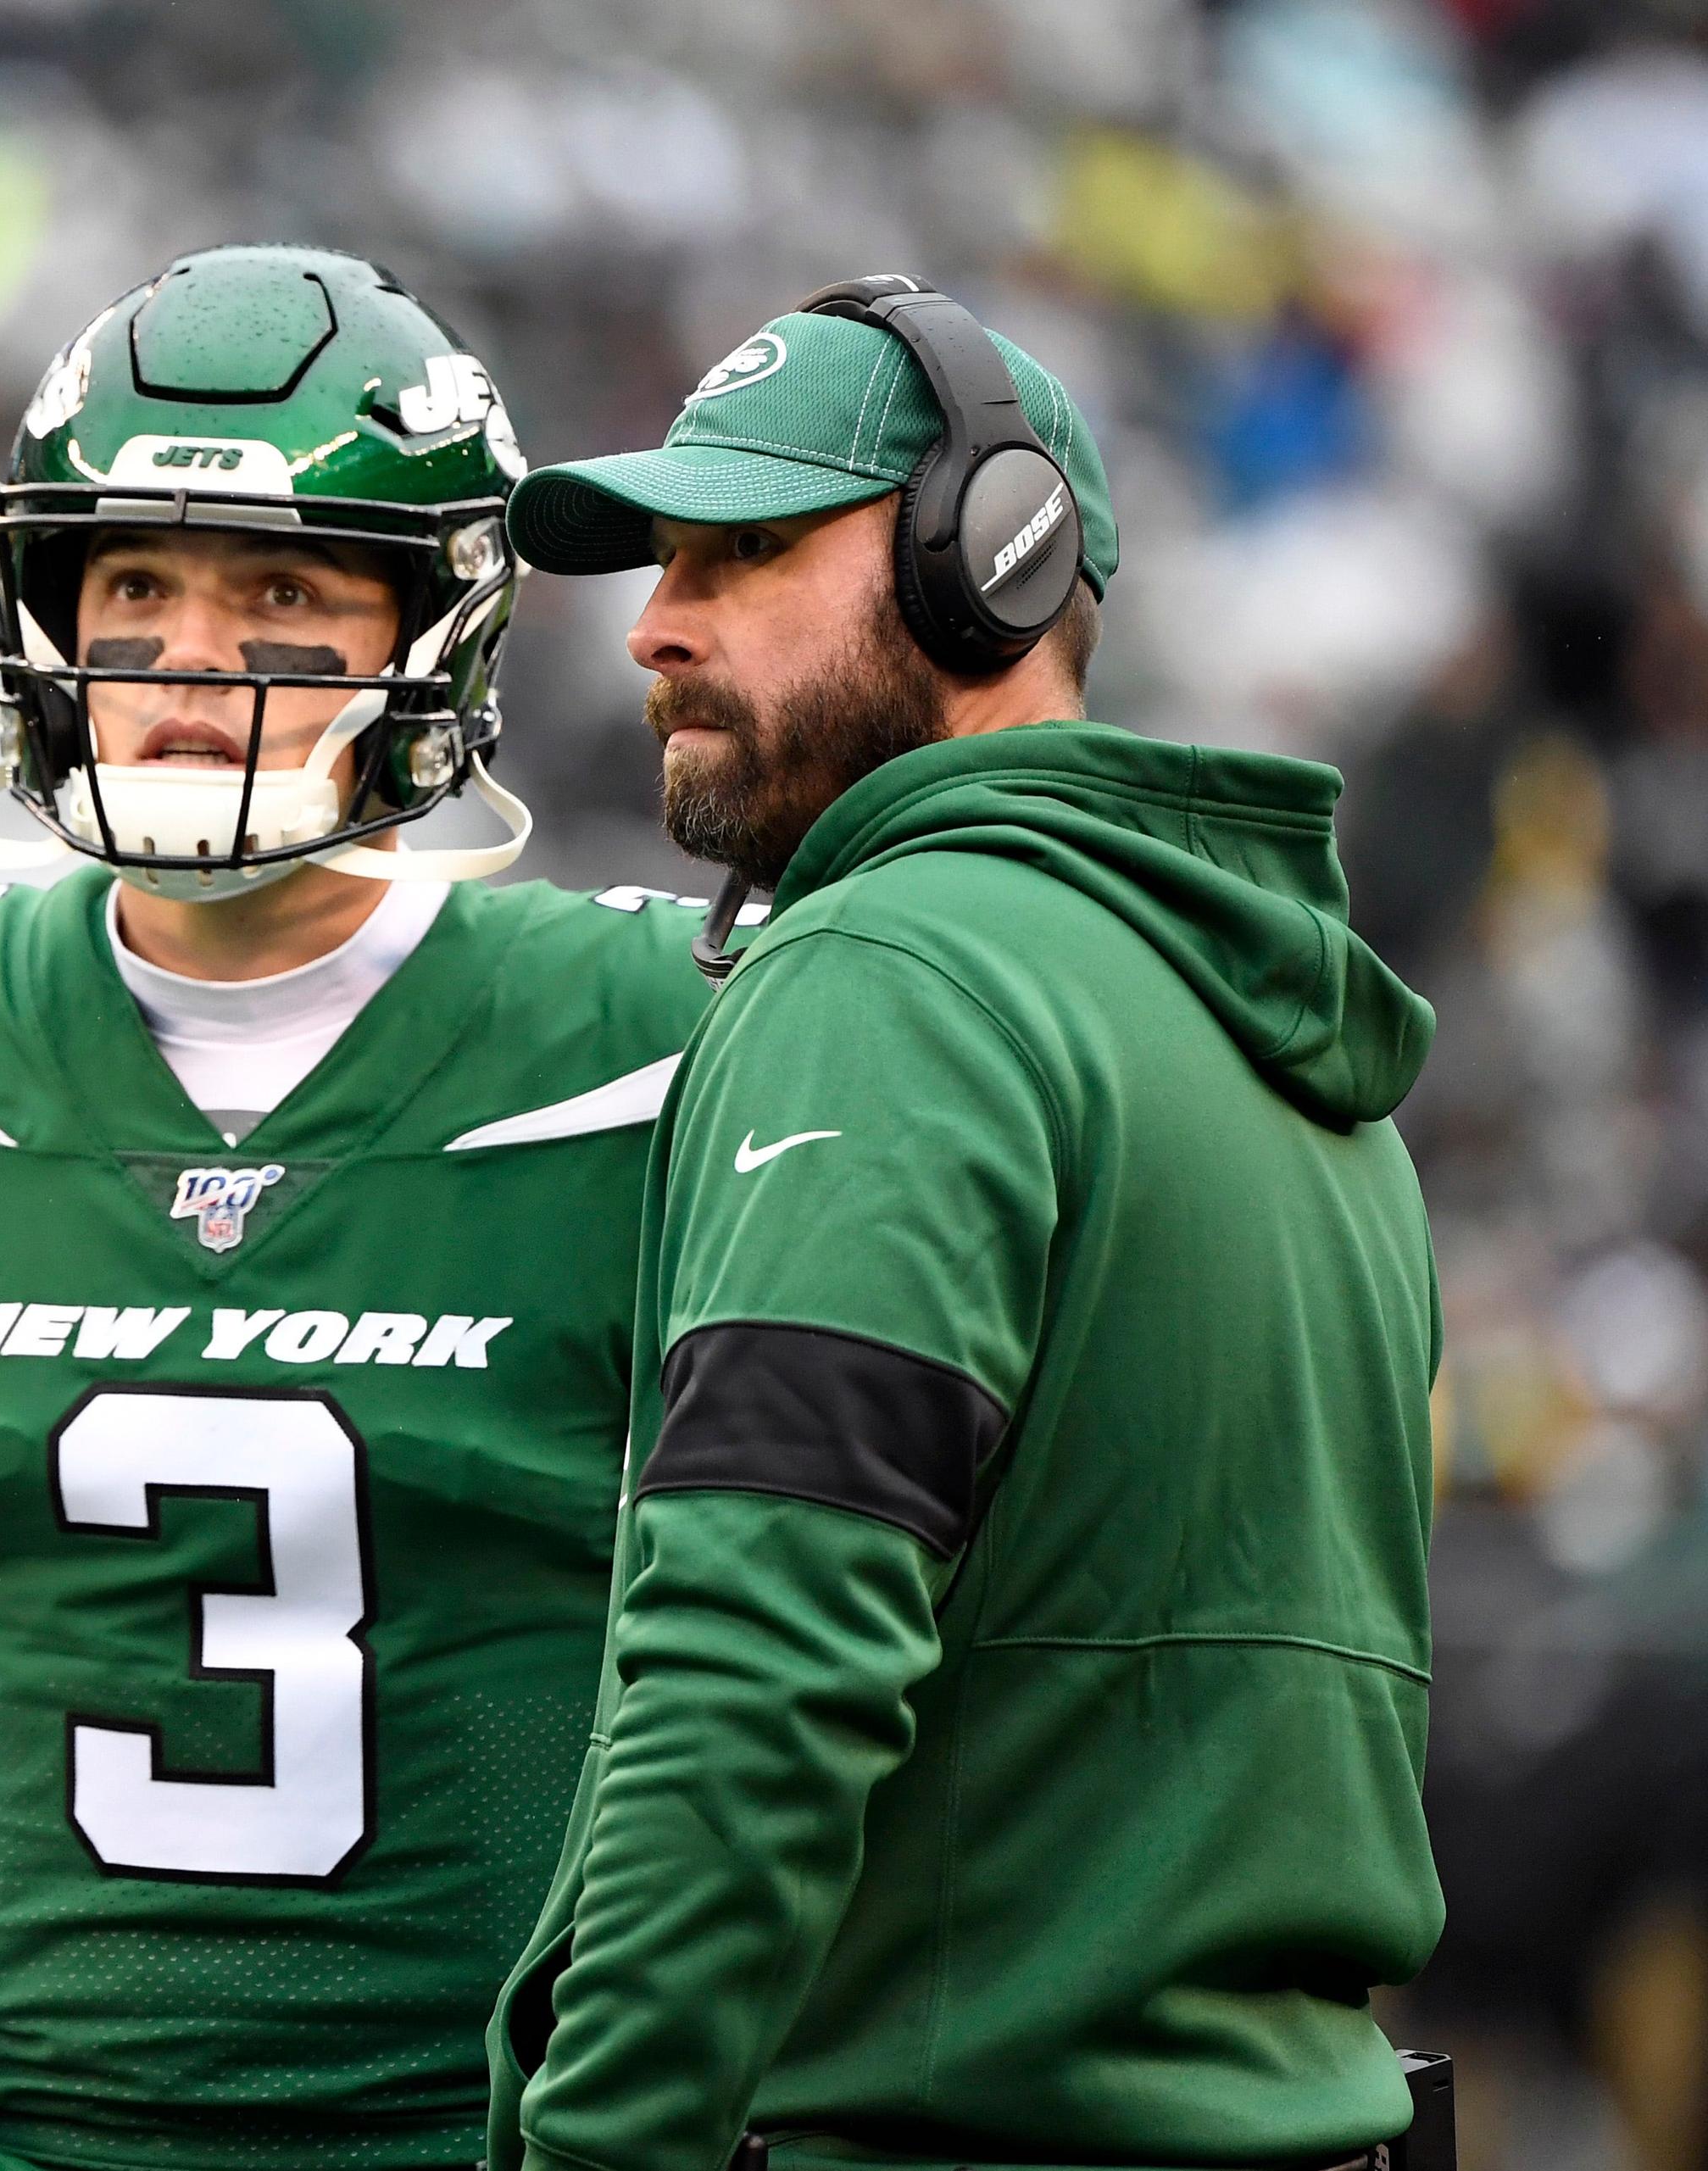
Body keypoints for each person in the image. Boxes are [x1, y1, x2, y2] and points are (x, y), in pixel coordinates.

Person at [481, 276, 1445, 2171]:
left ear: (985, 566)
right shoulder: (1268, 1022)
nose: (656, 629)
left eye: (747, 550)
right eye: (662, 562)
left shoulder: (887, 970)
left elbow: (759, 1668)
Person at [0, 245, 711, 2171]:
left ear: (438, 627)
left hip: (489, 2133)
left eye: (281, 588)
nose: (189, 658)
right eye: (136, 584)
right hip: (7, 2132)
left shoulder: (659, 1033)